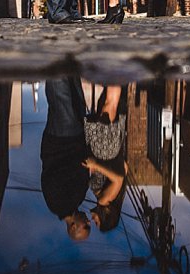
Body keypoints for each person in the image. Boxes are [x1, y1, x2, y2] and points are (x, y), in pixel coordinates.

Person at [40, 77, 92, 241]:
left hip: (61, 140)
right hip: (74, 138)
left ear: (73, 227)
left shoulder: (57, 204)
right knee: (73, 87)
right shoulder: (75, 201)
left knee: (60, 91)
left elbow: (52, 175)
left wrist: (81, 165)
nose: (88, 221)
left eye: (86, 226)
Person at [82, 84, 128, 232]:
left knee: (107, 104)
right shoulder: (104, 200)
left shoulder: (106, 198)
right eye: (97, 222)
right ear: (105, 217)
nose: (93, 220)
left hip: (108, 150)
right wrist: (95, 164)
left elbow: (124, 168)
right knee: (110, 104)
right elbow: (118, 178)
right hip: (104, 150)